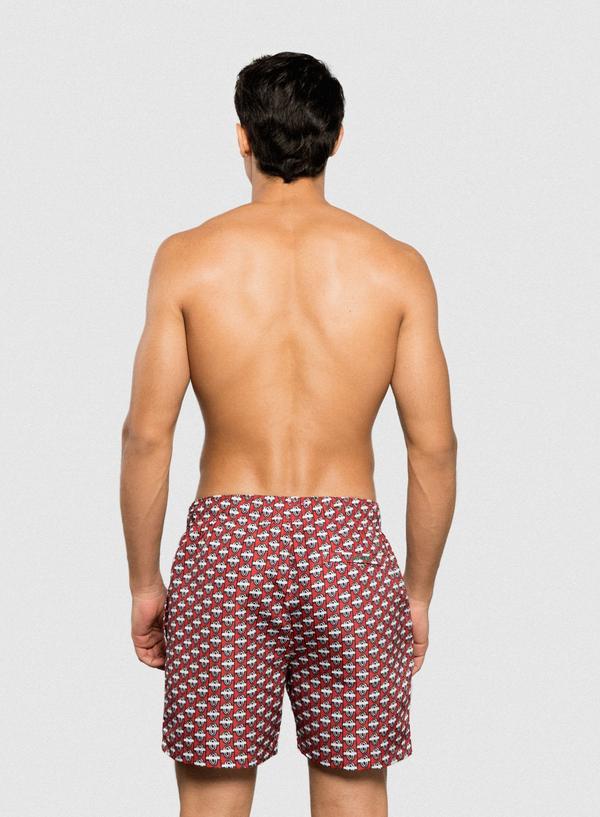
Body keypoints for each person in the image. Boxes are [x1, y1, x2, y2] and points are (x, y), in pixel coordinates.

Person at [120, 51, 457, 817]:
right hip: (348, 547)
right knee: (354, 791)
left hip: (227, 543)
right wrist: (416, 592)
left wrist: (144, 583)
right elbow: (433, 448)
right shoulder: (397, 267)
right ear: (337, 137)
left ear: (242, 136)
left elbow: (147, 435)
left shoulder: (187, 258)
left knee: (212, 798)